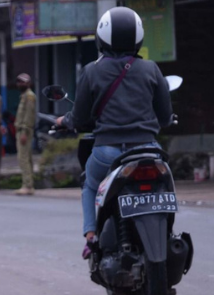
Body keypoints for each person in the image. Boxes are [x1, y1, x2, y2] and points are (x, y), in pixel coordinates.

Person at [55, 7, 173, 258]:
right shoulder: (152, 69)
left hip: (108, 152)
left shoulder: (91, 71)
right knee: (165, 187)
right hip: (149, 150)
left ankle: (91, 236)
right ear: (138, 38)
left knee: (89, 184)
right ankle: (168, 232)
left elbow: (80, 117)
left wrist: (64, 120)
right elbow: (164, 117)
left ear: (101, 37)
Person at [14, 73, 37, 195]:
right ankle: (28, 184)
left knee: (23, 158)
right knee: (26, 157)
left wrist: (24, 132)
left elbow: (28, 116)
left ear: (28, 83)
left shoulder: (29, 96)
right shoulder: (24, 96)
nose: (19, 84)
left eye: (22, 82)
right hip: (22, 130)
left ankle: (27, 185)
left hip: (25, 131)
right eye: (18, 82)